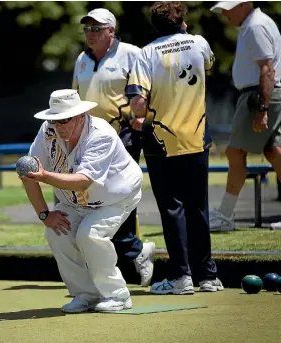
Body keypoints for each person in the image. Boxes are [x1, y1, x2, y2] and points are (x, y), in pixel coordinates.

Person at [125, 1, 223, 295]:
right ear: (182, 21)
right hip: (196, 138)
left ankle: (182, 277)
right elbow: (208, 66)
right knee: (198, 208)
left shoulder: (147, 52)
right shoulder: (199, 43)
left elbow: (138, 103)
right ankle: (208, 277)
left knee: (172, 210)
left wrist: (137, 117)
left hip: (161, 142)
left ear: (155, 25)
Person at [20, 89, 143, 313]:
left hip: (116, 196)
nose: (59, 126)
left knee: (90, 234)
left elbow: (83, 181)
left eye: (64, 120)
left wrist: (45, 176)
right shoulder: (48, 130)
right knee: (56, 232)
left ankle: (118, 295)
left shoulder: (100, 134)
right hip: (75, 200)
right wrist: (45, 215)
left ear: (79, 116)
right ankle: (85, 294)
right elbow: (30, 175)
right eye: (54, 120)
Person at [209, 1, 281, 231]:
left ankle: (225, 215)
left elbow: (267, 69)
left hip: (256, 97)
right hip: (261, 96)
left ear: (244, 5)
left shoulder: (254, 26)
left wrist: (262, 109)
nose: (225, 14)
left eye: (228, 8)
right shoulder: (257, 23)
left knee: (234, 151)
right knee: (274, 151)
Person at [72, 8, 155, 287]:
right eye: (87, 29)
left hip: (122, 136)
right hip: (89, 139)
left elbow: (147, 90)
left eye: (96, 29)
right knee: (96, 197)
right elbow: (74, 99)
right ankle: (132, 251)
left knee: (119, 195)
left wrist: (142, 117)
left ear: (111, 31)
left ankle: (131, 251)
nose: (90, 34)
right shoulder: (81, 60)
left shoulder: (131, 53)